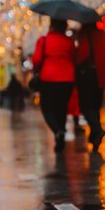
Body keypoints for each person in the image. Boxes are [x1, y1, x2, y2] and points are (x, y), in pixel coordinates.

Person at [32, 18, 76, 153]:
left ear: (51, 25)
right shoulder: (69, 41)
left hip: (49, 78)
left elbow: (36, 60)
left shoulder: (43, 40)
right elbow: (74, 57)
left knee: (47, 107)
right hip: (67, 78)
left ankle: (58, 131)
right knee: (61, 108)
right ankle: (60, 137)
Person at [76, 23, 105, 152]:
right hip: (100, 77)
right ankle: (94, 139)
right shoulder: (103, 35)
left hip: (86, 77)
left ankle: (97, 130)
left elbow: (82, 55)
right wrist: (103, 70)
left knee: (86, 107)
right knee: (95, 107)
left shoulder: (82, 35)